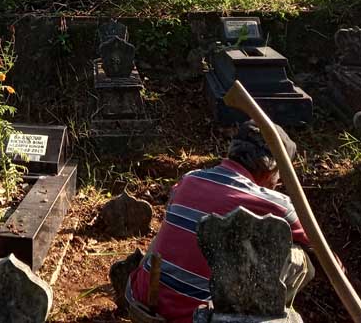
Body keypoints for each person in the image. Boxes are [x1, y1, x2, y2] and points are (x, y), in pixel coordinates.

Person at [126, 122, 314, 323]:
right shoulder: (277, 204)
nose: (277, 183)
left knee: (173, 226)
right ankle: (262, 315)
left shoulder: (189, 180)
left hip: (143, 301)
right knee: (299, 256)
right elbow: (316, 245)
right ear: (272, 169)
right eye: (280, 176)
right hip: (198, 317)